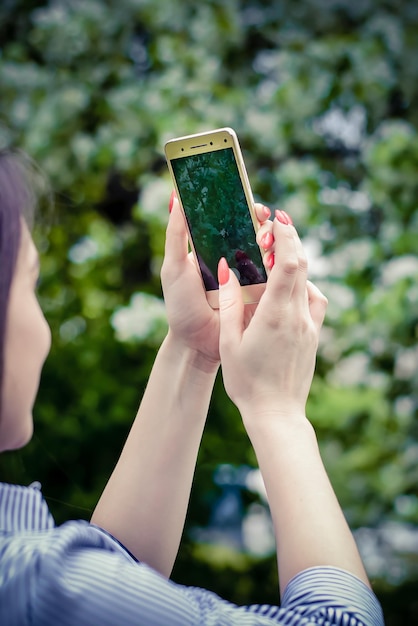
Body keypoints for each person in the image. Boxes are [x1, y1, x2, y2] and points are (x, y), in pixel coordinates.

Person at [0, 148, 384, 625]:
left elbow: (114, 578)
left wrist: (194, 347)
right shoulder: (27, 582)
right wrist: (277, 411)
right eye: (31, 284)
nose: (42, 326)